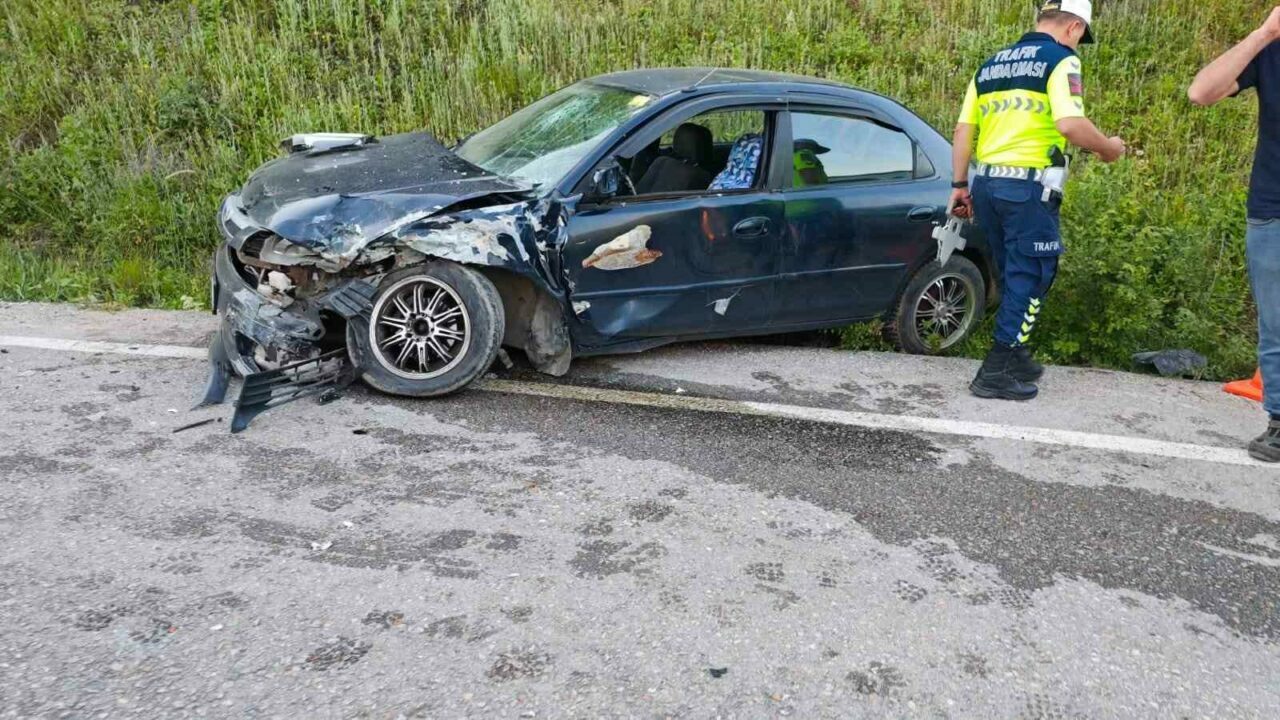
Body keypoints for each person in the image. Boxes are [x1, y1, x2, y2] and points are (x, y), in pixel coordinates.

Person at [949, 0, 1125, 401]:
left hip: (986, 184)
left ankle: (1018, 355)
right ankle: (996, 369)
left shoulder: (991, 64)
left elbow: (963, 129)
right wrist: (1108, 149)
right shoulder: (1061, 60)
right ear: (1074, 28)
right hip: (1026, 189)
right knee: (1032, 274)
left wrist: (959, 183)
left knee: (1012, 270)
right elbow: (1070, 123)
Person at [1188, 7, 1280, 462]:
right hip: (1273, 210)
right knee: (1276, 325)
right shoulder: (1271, 49)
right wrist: (1263, 33)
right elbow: (1201, 92)